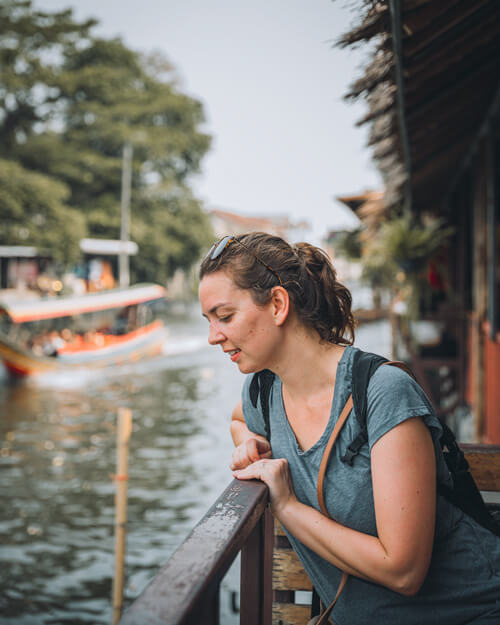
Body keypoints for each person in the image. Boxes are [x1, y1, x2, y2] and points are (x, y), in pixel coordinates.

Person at [198, 232, 500, 625]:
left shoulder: (380, 393)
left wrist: (287, 505)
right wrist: (249, 442)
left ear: (277, 304)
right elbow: (239, 419)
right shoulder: (263, 392)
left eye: (224, 316)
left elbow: (403, 571)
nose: (212, 336)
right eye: (208, 321)